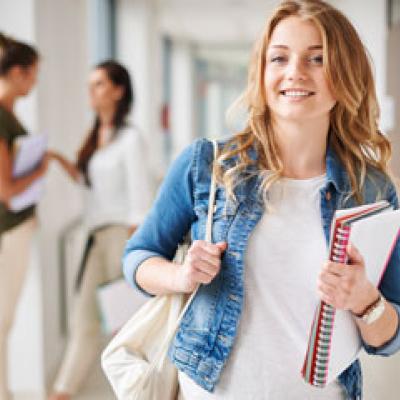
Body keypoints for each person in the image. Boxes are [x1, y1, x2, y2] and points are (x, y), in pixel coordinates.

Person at [122, 1, 400, 399]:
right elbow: (138, 256)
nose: (295, 73)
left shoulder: (372, 190)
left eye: (317, 58)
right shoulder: (208, 166)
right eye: (279, 58)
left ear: (345, 74)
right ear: (262, 71)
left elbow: (389, 338)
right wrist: (180, 277)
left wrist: (365, 301)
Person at [48, 60, 153, 400]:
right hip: (96, 239)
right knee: (85, 321)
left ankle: (144, 391)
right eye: (90, 84)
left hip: (121, 239)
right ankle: (62, 392)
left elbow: (140, 198)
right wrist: (55, 159)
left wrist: (133, 253)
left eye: (99, 84)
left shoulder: (130, 138)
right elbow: (88, 184)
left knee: (127, 327)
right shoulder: (98, 137)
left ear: (118, 91)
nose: (91, 91)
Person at [0, 33, 49, 400]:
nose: (34, 82)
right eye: (33, 74)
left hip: (15, 230)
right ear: (18, 73)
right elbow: (7, 190)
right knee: (2, 321)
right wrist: (41, 167)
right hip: (9, 231)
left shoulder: (8, 116)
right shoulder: (1, 117)